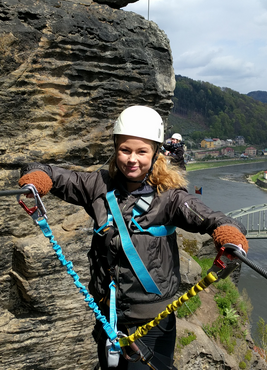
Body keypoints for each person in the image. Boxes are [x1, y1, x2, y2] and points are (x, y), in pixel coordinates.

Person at [18, 105, 248, 369]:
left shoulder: (170, 198)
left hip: (153, 322)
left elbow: (208, 217)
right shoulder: (99, 186)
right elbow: (55, 175)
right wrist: (38, 176)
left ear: (155, 154)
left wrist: (228, 233)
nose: (132, 159)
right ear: (116, 150)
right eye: (125, 150)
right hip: (107, 315)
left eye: (142, 152)